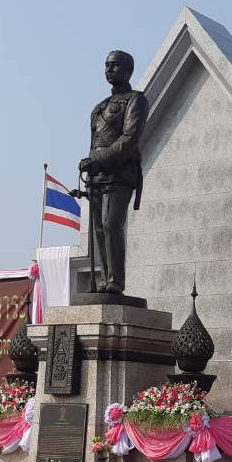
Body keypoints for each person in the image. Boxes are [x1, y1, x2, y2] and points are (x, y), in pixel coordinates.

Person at [76, 50, 147, 295]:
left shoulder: (136, 100)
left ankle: (116, 280)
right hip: (97, 176)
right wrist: (89, 163)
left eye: (115, 65)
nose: (109, 69)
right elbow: (95, 142)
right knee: (98, 229)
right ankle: (106, 279)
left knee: (111, 224)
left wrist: (99, 159)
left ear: (128, 70)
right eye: (106, 65)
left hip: (121, 173)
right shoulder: (99, 108)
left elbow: (129, 139)